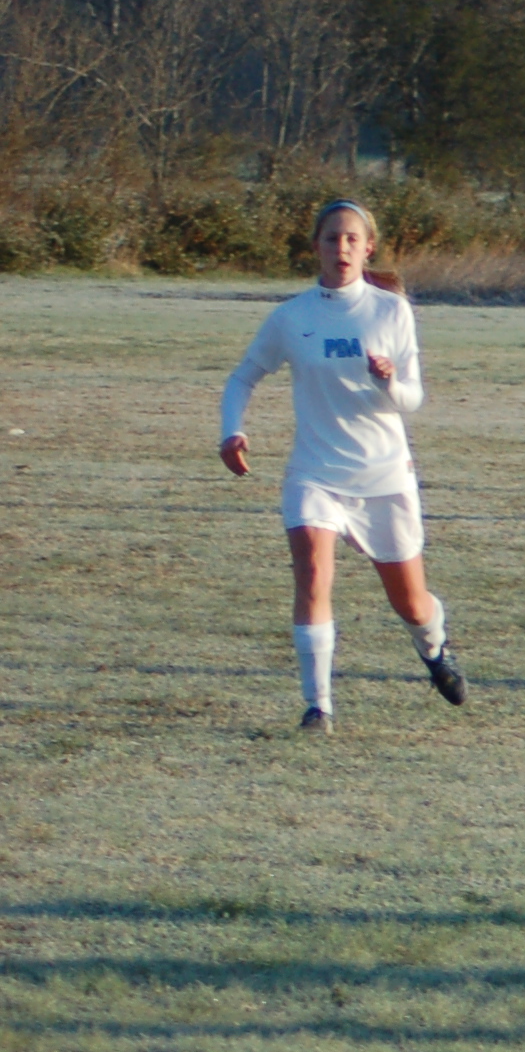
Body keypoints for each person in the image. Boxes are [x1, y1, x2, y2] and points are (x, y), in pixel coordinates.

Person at [219, 199, 464, 731]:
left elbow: (413, 399)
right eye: (332, 238)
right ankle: (319, 707)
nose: (342, 248)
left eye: (352, 239)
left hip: (383, 475)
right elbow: (242, 377)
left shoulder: (390, 311)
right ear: (316, 247)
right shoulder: (292, 317)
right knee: (312, 576)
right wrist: (231, 430)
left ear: (368, 247)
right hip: (315, 473)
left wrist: (388, 382)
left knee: (412, 604)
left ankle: (433, 646)